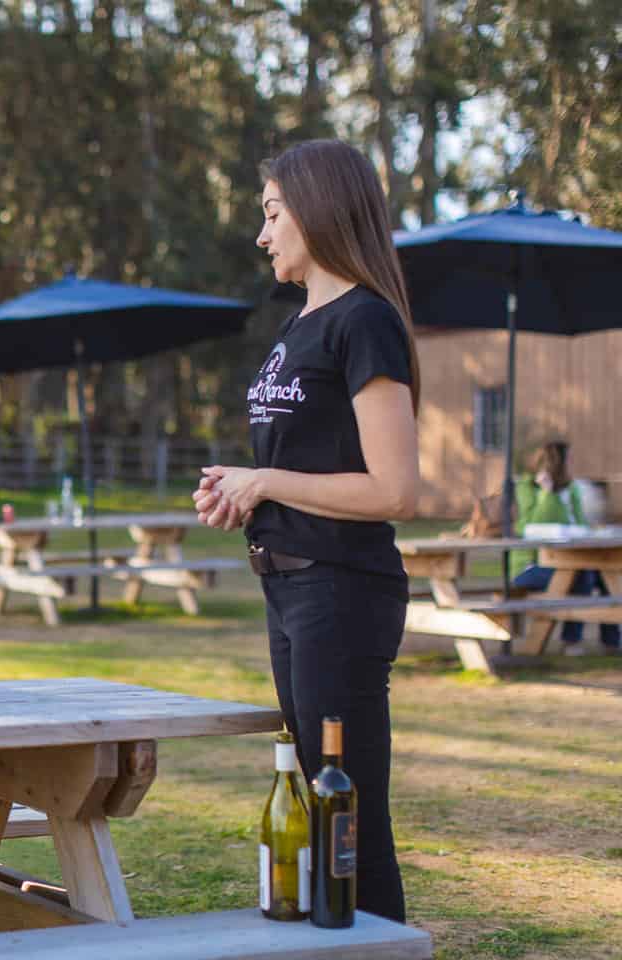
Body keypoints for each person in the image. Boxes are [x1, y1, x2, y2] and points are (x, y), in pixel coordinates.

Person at [192, 139, 418, 924]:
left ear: (318, 210)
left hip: (341, 592)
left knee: (345, 805)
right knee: (318, 797)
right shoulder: (300, 326)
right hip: (286, 586)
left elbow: (395, 488)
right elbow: (310, 460)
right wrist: (242, 491)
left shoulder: (365, 321)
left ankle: (376, 944)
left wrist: (268, 481)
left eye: (273, 212)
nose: (263, 235)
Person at [511, 441, 620, 654]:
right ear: (556, 461)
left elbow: (578, 523)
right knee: (583, 576)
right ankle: (571, 641)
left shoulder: (571, 488)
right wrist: (547, 493)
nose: (572, 462)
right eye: (569, 458)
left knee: (605, 574)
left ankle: (612, 642)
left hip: (570, 558)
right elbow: (532, 525)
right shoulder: (527, 486)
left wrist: (592, 531)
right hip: (531, 567)